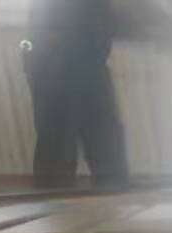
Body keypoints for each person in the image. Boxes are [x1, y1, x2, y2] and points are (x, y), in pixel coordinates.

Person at [22, 0, 130, 190]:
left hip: (79, 59)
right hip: (56, 64)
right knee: (60, 150)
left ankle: (113, 192)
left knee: (104, 147)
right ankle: (54, 198)